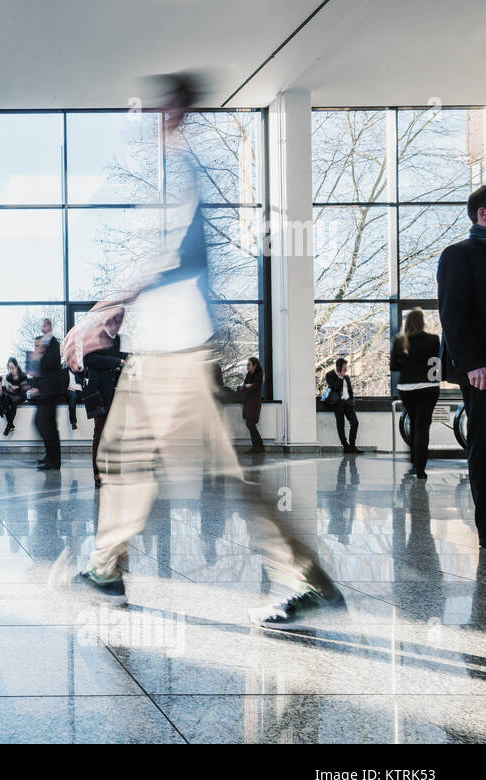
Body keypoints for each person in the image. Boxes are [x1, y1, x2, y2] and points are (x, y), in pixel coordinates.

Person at [70, 72, 341, 628]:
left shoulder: (179, 168)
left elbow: (174, 256)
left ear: (176, 110)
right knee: (134, 460)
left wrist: (105, 309)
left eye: (159, 108)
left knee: (186, 467)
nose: (151, 118)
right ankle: (107, 568)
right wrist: (117, 310)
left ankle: (109, 570)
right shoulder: (171, 168)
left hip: (174, 351)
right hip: (166, 348)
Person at [438, 185, 486, 544]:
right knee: (484, 445)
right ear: (482, 214)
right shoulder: (459, 254)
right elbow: (453, 315)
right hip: (481, 371)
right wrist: (472, 364)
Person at [391, 309, 440, 479]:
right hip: (428, 387)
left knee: (413, 424)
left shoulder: (400, 341)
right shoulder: (433, 339)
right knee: (422, 427)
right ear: (422, 321)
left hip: (406, 388)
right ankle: (421, 468)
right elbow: (436, 364)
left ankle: (413, 461)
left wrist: (407, 363)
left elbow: (393, 367)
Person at [81, 335, 126, 487]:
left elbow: (123, 359)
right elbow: (89, 359)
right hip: (100, 393)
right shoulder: (94, 336)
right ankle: (98, 474)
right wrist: (115, 362)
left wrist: (122, 362)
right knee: (99, 434)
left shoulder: (119, 338)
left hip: (117, 391)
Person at [28, 331, 68, 471]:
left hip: (48, 396)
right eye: (35, 345)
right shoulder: (40, 360)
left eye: (38, 345)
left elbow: (47, 379)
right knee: (45, 426)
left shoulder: (49, 359)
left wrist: (38, 389)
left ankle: (54, 460)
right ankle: (50, 457)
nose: (36, 347)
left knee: (47, 427)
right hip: (43, 397)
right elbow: (36, 377)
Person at [323, 358, 361, 453]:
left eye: (346, 368)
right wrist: (340, 377)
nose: (345, 370)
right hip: (337, 404)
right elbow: (335, 387)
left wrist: (352, 400)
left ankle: (352, 446)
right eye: (344, 368)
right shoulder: (329, 375)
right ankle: (346, 446)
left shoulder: (347, 377)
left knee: (355, 423)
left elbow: (350, 390)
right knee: (341, 425)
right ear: (338, 367)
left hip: (348, 403)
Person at [242, 356, 266, 454]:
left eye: (249, 365)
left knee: (250, 424)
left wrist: (248, 386)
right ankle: (258, 447)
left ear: (255, 365)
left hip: (254, 404)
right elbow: (244, 387)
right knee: (250, 424)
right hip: (248, 403)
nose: (247, 367)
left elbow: (254, 388)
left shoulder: (259, 374)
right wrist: (247, 386)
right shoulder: (249, 375)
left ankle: (258, 446)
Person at [0, 357, 27, 436]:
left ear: (16, 366)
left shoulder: (22, 375)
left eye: (12, 368)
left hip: (21, 395)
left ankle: (8, 426)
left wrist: (17, 387)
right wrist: (9, 388)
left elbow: (25, 388)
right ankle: (10, 424)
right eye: (9, 368)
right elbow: (7, 389)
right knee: (6, 400)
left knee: (13, 403)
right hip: (12, 394)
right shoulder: (8, 376)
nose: (11, 370)